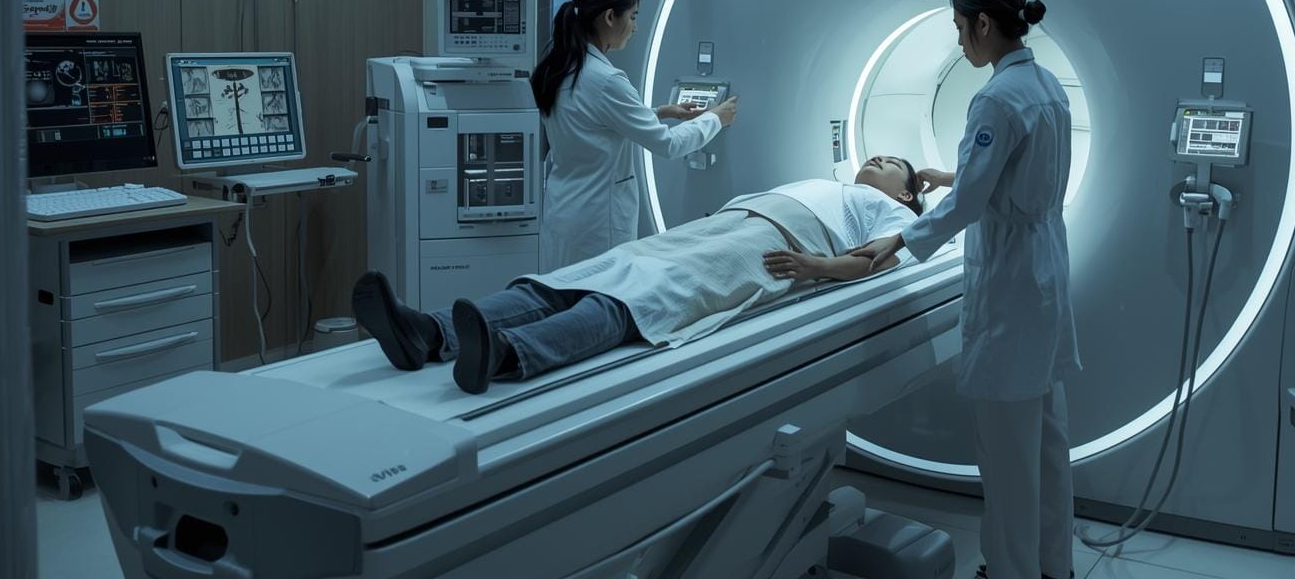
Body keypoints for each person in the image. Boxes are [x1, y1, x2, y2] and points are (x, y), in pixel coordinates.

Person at [853, 0, 1080, 579]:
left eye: (959, 28)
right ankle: (1054, 567)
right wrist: (947, 174)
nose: (959, 43)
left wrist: (899, 237)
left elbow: (974, 205)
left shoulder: (994, 98)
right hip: (1047, 270)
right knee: (1047, 446)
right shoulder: (1048, 86)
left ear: (983, 23)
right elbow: (1014, 178)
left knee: (1006, 455)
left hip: (1010, 281)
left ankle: (1007, 570)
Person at [351, 156, 924, 394]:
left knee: (648, 296)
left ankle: (506, 352)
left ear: (904, 190)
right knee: (597, 270)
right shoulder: (823, 178)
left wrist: (815, 267)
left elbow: (878, 259)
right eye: (872, 154)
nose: (875, 160)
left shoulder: (891, 210)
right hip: (729, 222)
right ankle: (429, 333)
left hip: (779, 245)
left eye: (890, 163)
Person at [531, 0, 739, 271]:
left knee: (565, 301)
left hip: (563, 211)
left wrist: (660, 113)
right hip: (597, 221)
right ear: (610, 17)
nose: (636, 27)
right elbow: (668, 145)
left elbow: (591, 126)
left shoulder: (559, 69)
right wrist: (715, 119)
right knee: (597, 305)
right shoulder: (607, 80)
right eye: (633, 17)